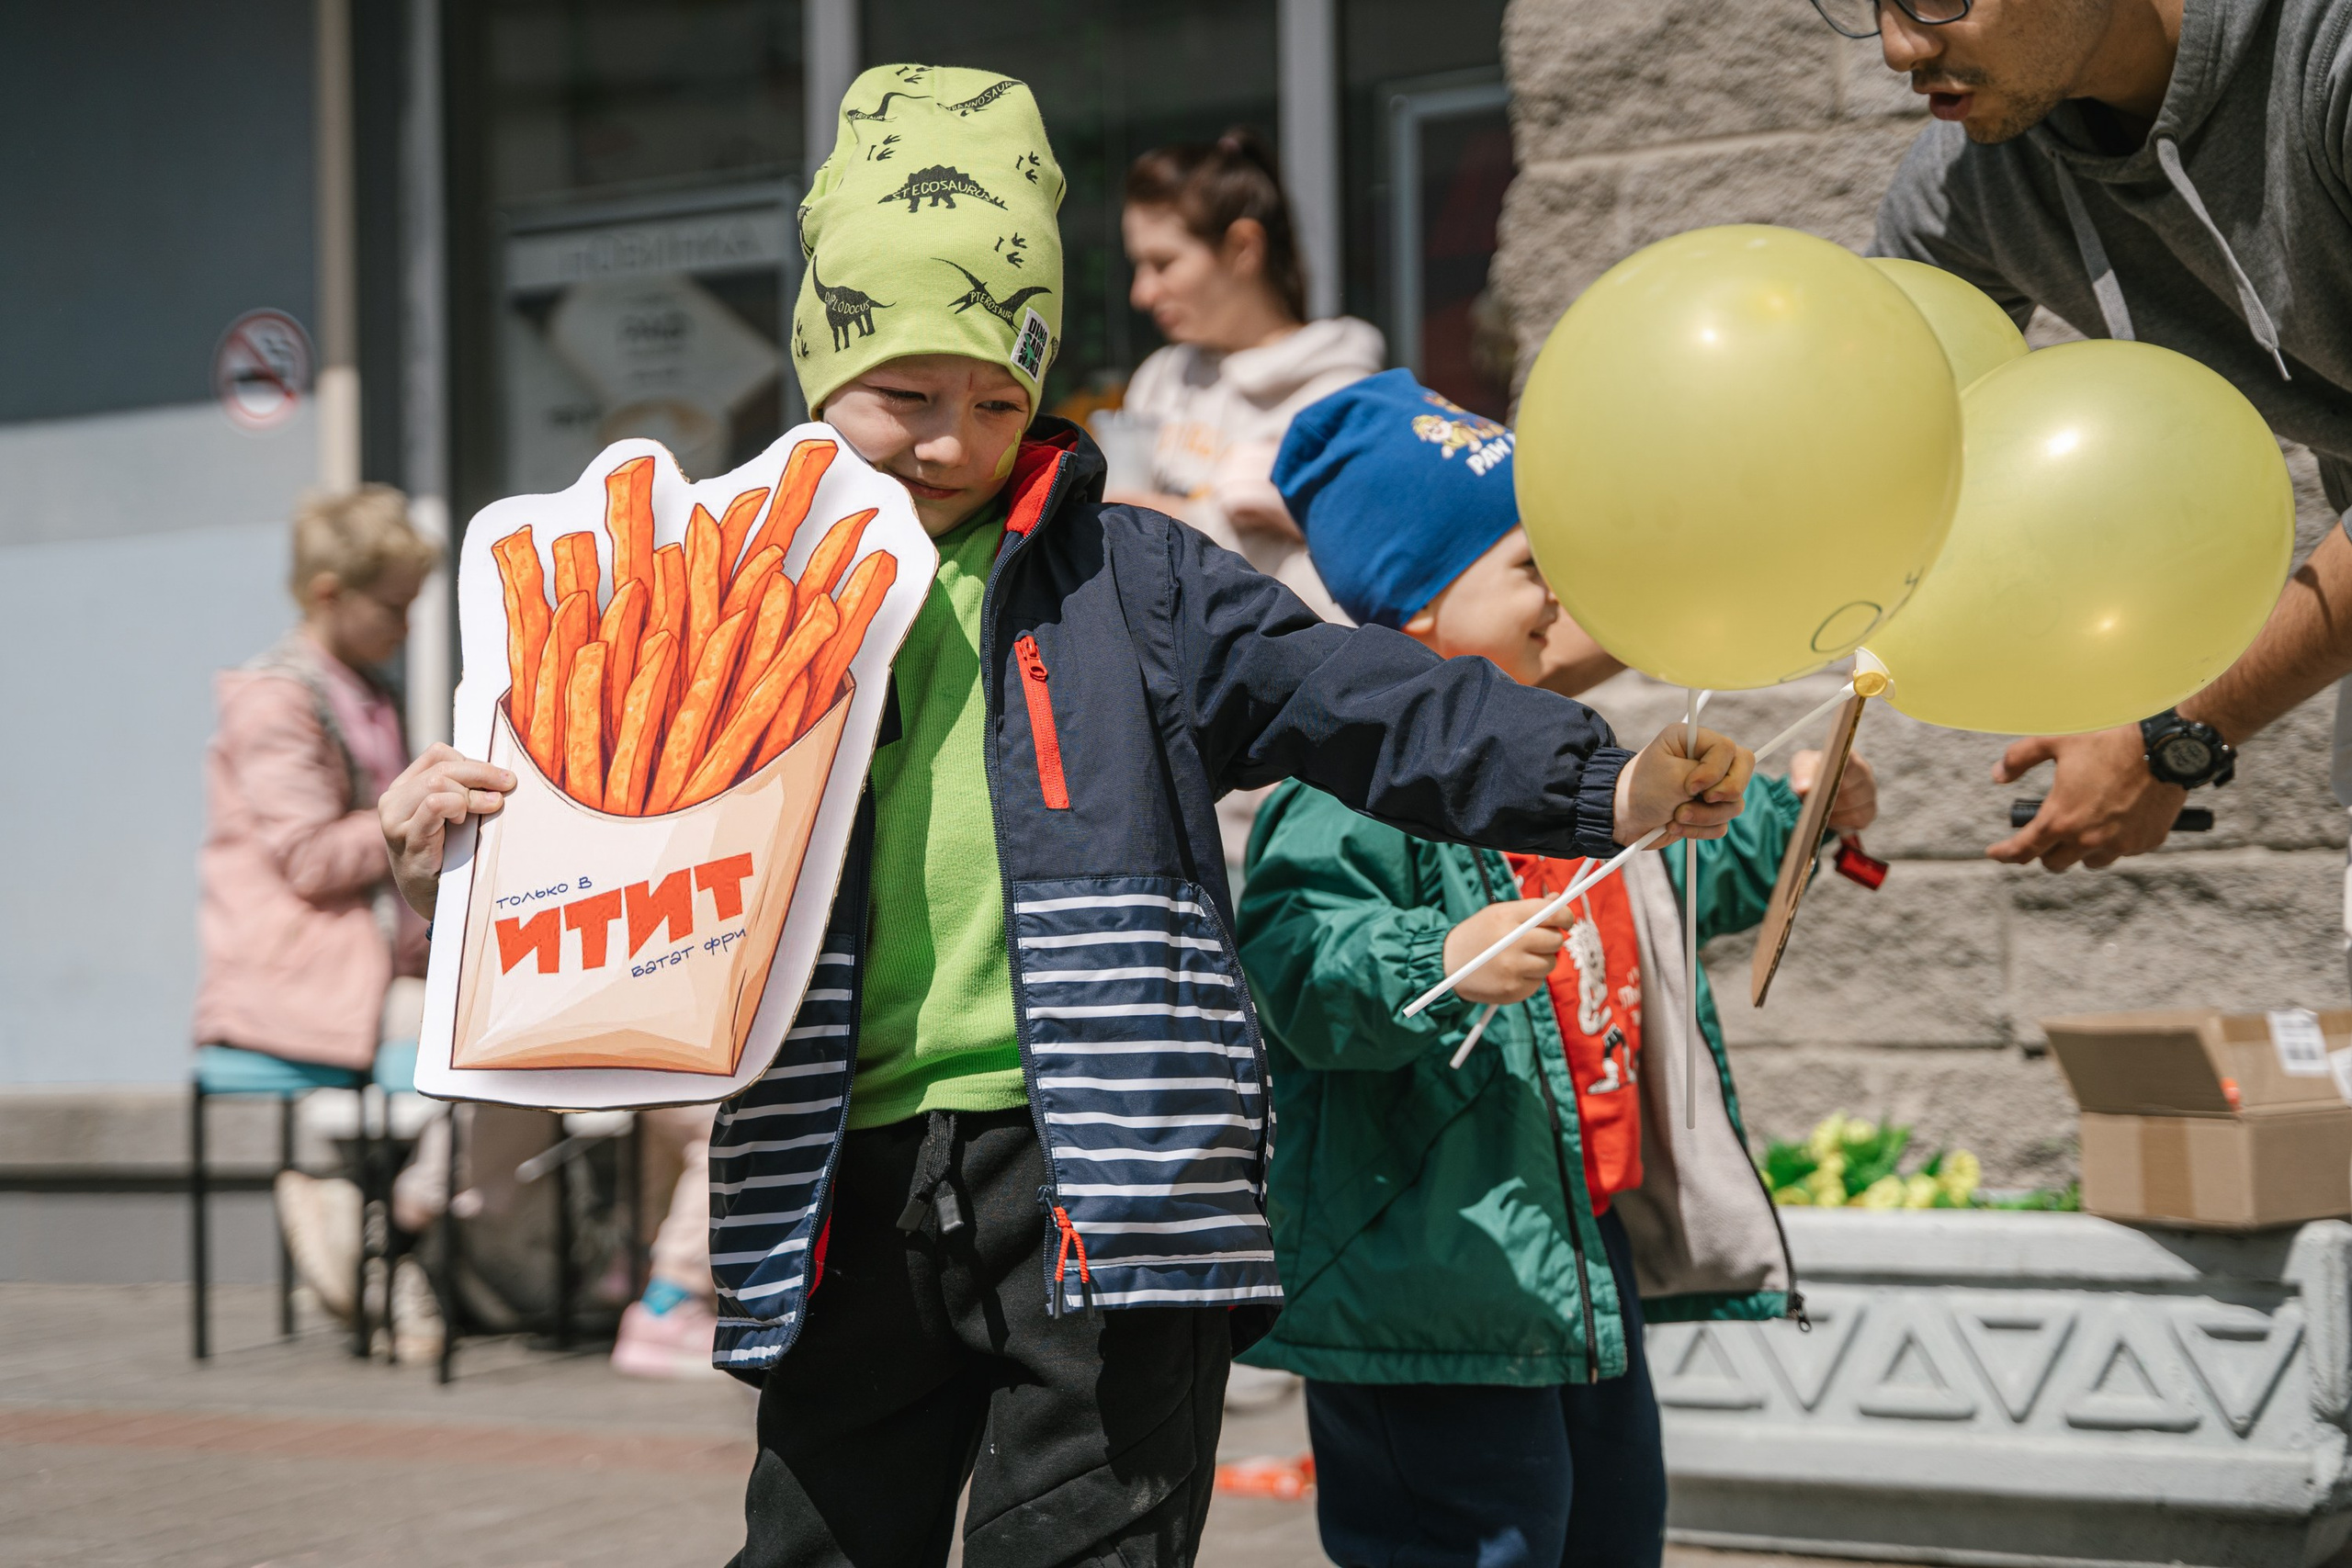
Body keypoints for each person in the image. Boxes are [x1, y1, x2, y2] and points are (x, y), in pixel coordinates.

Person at [379, 65, 1756, 1568]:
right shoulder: (710, 582)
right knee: (821, 1542)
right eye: (905, 395)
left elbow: (1362, 696)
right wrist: (452, 830)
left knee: (1091, 1543)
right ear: (817, 368)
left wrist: (1594, 780)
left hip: (1112, 1173)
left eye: (996, 397)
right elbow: (583, 788)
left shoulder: (1141, 581)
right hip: (844, 1160)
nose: (952, 441)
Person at [1234, 369, 1873, 1568]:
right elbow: (1298, 964)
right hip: (1427, 1279)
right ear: (1418, 607)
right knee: (1476, 1545)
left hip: (1569, 1255)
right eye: (1531, 564)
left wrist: (1798, 823)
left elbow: (1669, 906)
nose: (1566, 593)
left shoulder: (1574, 772)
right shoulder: (1343, 786)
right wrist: (1441, 954)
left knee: (1607, 1535)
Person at [1857, 0, 2352, 877]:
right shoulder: (1974, 183)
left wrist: (2175, 729)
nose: (1900, 46)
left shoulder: (2330, 51)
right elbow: (1870, 462)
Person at [194, 484, 444, 1354]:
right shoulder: (275, 700)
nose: (409, 628)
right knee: (476, 1040)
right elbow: (305, 857)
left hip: (376, 967)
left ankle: (385, 1223)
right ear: (330, 593)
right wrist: (412, 815)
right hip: (297, 971)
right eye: (395, 607)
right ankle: (393, 1237)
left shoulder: (363, 689)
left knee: (492, 1027)